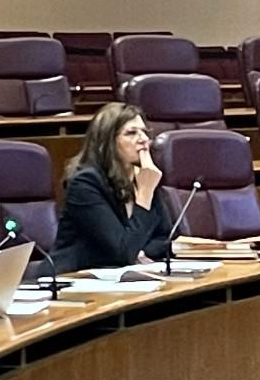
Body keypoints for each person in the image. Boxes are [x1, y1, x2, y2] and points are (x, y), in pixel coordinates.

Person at [54, 103, 173, 272]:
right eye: (132, 133)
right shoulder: (86, 184)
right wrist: (145, 194)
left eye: (144, 132)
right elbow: (122, 251)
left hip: (126, 278)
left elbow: (165, 239)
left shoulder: (143, 176)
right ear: (108, 141)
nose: (144, 139)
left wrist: (141, 252)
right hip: (75, 280)